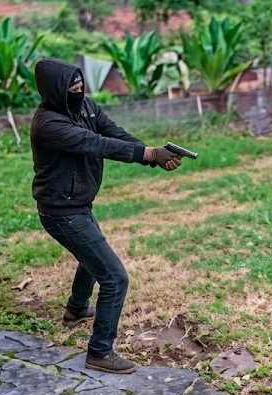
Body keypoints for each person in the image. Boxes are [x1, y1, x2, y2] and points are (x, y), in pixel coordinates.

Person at [30, 58, 182, 374]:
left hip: (77, 205)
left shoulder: (85, 107)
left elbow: (112, 132)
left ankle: (75, 309)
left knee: (92, 257)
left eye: (81, 85)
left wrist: (150, 157)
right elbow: (96, 143)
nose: (78, 91)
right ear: (54, 91)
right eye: (71, 87)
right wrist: (151, 153)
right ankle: (99, 351)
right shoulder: (49, 124)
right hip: (61, 212)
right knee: (114, 277)